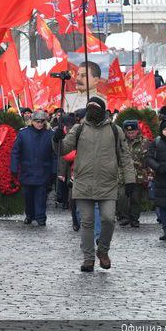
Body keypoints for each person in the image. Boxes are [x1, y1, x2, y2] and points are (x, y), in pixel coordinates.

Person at [58, 97, 136, 272]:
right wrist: (56, 139)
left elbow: (125, 157)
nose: (92, 110)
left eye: (95, 107)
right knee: (87, 221)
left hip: (107, 184)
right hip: (83, 183)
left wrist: (130, 179)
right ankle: (88, 258)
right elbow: (63, 149)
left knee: (109, 219)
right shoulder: (78, 129)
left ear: (103, 110)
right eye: (89, 107)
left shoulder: (115, 131)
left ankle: (103, 250)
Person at [11, 110, 57, 226]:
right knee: (28, 196)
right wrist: (14, 167)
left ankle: (41, 217)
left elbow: (54, 154)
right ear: (32, 121)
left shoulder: (50, 134)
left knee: (41, 196)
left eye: (42, 121)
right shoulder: (23, 134)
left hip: (43, 170)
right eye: (37, 121)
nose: (39, 124)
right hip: (27, 170)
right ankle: (29, 215)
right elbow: (16, 152)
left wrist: (54, 170)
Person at [117, 120, 149, 228]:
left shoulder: (144, 142)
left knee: (136, 198)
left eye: (133, 132)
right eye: (128, 132)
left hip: (138, 175)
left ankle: (134, 218)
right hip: (122, 174)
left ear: (137, 131)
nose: (130, 134)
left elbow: (147, 159)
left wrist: (148, 173)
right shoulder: (120, 141)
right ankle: (124, 217)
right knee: (122, 197)